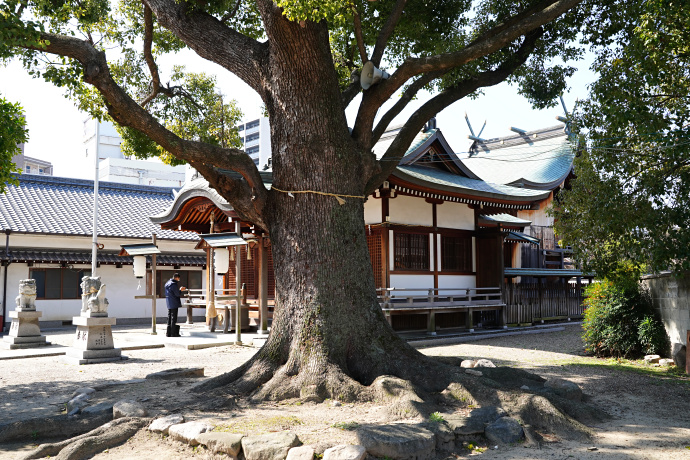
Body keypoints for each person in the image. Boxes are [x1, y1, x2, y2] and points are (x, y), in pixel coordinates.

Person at [164, 273, 186, 337]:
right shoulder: (174, 284)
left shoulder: (167, 283)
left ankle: (168, 333)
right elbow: (177, 294)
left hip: (169, 302)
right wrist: (180, 290)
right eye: (178, 278)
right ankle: (173, 333)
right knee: (174, 318)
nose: (179, 280)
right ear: (176, 277)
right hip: (174, 302)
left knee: (169, 317)